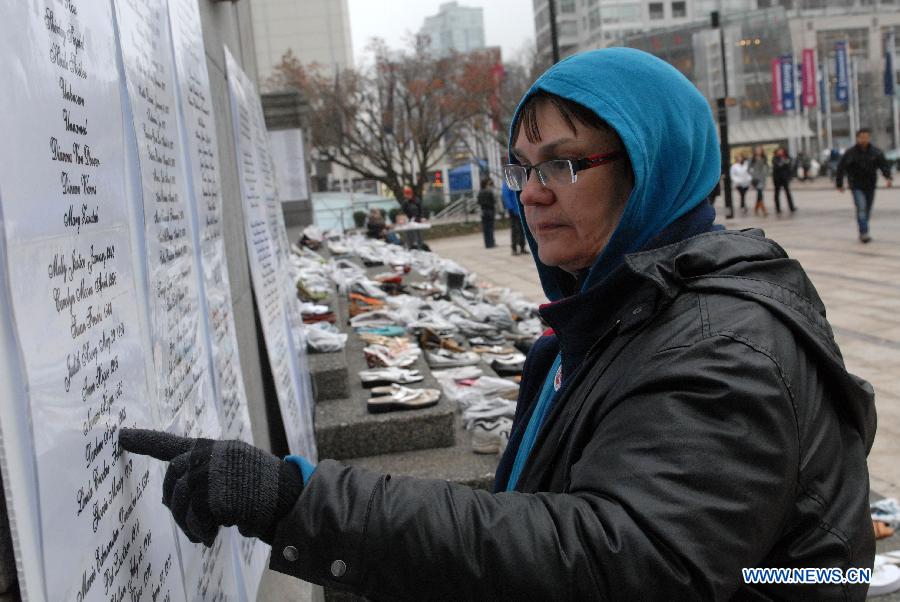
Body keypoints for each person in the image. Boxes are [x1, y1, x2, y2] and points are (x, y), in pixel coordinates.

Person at [120, 48, 875, 600]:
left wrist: (301, 503)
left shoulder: (716, 344)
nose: (530, 195)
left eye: (562, 164)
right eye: (522, 167)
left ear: (651, 165)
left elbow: (625, 563)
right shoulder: (621, 312)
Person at [836, 128, 893, 243]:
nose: (864, 139)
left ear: (869, 138)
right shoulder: (850, 153)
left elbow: (884, 166)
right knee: (861, 209)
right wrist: (839, 184)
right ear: (857, 138)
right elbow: (841, 168)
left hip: (870, 185)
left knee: (867, 210)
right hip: (856, 186)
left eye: (866, 137)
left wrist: (888, 178)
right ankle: (864, 233)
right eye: (862, 137)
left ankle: (863, 229)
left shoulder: (875, 152)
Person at [502, 179, 527, 255]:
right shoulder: (507, 183)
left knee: (523, 229)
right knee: (515, 230)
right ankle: (514, 248)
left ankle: (522, 247)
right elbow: (506, 196)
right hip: (513, 210)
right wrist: (510, 208)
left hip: (520, 210)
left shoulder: (519, 181)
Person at [400, 185, 427, 250]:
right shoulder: (405, 203)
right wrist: (404, 218)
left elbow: (421, 210)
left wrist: (422, 217)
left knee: (418, 234)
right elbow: (403, 211)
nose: (406, 196)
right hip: (409, 221)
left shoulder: (417, 200)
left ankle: (420, 247)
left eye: (407, 195)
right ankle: (411, 246)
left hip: (417, 220)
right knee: (409, 234)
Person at [771, 146, 796, 214]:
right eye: (779, 150)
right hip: (777, 178)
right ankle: (778, 208)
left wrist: (790, 176)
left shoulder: (787, 157)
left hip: (785, 178)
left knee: (788, 193)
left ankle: (791, 207)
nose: (780, 152)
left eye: (781, 150)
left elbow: (790, 167)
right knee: (777, 193)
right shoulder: (775, 158)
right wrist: (783, 163)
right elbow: (776, 166)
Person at [749, 145, 769, 217]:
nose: (758, 151)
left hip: (762, 178)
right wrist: (753, 175)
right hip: (756, 179)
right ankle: (764, 209)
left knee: (759, 193)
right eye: (757, 150)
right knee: (760, 193)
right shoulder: (752, 159)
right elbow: (748, 169)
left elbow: (767, 167)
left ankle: (756, 208)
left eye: (760, 150)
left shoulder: (764, 158)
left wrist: (766, 174)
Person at [477, 177, 497, 248]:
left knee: (485, 228)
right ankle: (491, 243)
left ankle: (487, 243)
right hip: (490, 210)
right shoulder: (489, 191)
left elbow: (478, 202)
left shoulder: (480, 192)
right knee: (490, 227)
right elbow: (494, 201)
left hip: (483, 211)